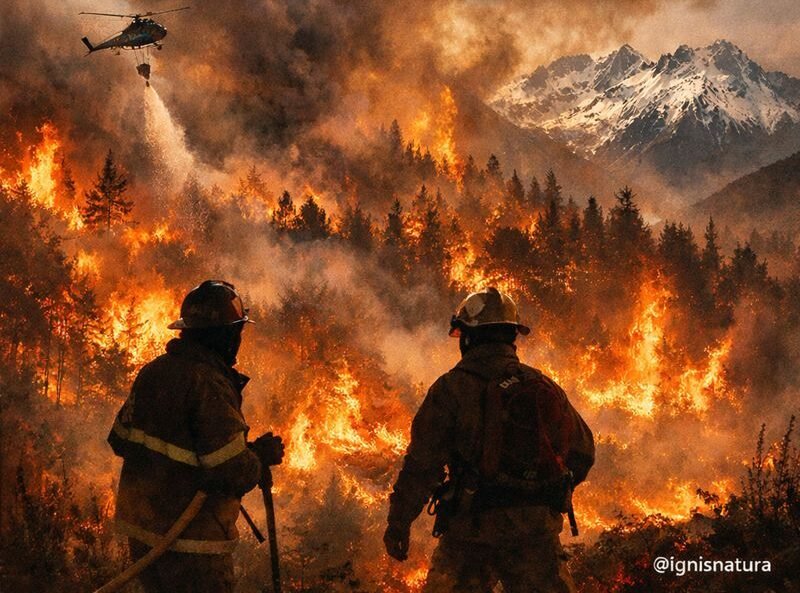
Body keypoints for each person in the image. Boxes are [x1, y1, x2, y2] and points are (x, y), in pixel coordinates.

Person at [384, 287, 595, 592]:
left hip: (471, 536)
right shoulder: (541, 384)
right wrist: (540, 492)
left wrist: (399, 523)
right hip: (536, 537)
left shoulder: (451, 389)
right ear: (511, 337)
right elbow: (583, 452)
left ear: (467, 337)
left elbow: (422, 467)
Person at [108, 280, 284, 593]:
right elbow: (231, 470)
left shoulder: (153, 371)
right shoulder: (208, 384)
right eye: (237, 332)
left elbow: (120, 439)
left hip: (144, 537)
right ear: (225, 336)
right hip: (193, 545)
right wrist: (259, 458)